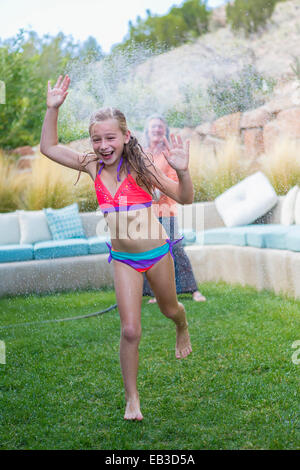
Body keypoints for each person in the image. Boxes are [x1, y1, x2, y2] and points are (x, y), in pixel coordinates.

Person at [40, 75, 193, 421]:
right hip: (123, 259)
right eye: (97, 139)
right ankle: (132, 399)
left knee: (169, 310)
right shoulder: (92, 165)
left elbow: (184, 197)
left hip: (157, 255)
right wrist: (53, 109)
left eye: (110, 137)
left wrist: (183, 173)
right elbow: (49, 148)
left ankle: (181, 324)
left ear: (125, 137)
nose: (103, 145)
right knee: (130, 330)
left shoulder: (142, 169)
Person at [142, 114, 206, 303]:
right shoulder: (143, 153)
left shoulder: (168, 153)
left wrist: (159, 190)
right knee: (152, 252)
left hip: (166, 210)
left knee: (175, 248)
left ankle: (192, 290)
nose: (157, 130)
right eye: (153, 127)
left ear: (165, 132)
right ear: (147, 131)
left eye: (160, 127)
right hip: (146, 212)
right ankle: (156, 293)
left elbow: (175, 180)